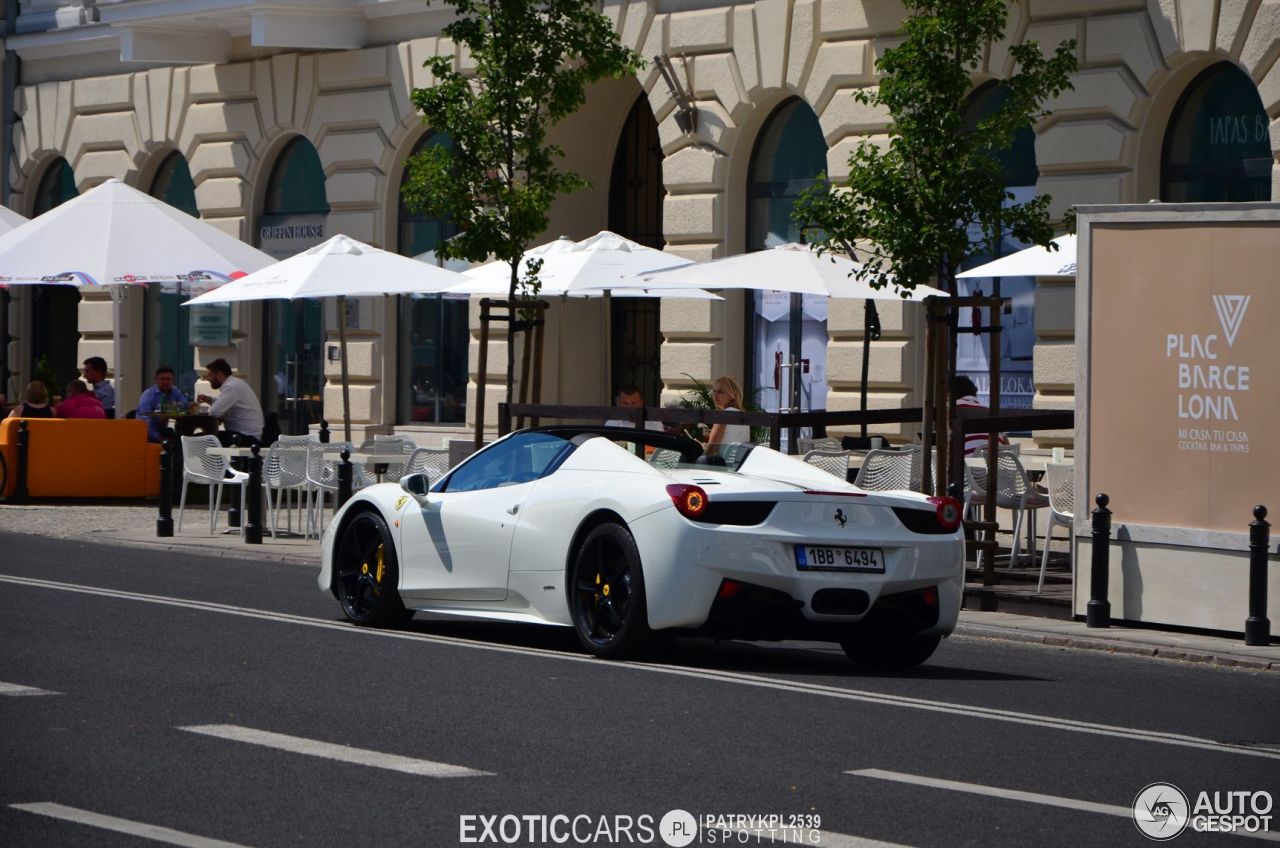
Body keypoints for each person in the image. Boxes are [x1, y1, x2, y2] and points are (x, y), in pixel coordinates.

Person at [196, 358, 264, 446]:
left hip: (245, 438)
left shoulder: (231, 387)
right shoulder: (236, 384)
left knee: (198, 440)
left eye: (210, 375)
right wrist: (209, 399)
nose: (208, 379)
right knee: (206, 438)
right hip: (248, 436)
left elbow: (215, 412)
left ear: (219, 375)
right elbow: (223, 403)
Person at [952, 375, 1009, 455]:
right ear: (974, 393)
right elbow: (1007, 446)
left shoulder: (951, 410)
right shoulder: (991, 413)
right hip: (997, 464)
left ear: (950, 394)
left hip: (965, 464)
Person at [137, 365, 190, 443]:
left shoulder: (174, 391)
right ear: (156, 380)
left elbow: (185, 405)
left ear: (173, 381)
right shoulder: (147, 395)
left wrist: (188, 405)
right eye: (162, 379)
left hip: (165, 429)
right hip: (147, 433)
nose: (165, 382)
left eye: (168, 379)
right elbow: (145, 422)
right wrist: (159, 438)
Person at [704, 376, 750, 456]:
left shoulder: (724, 415)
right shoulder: (743, 416)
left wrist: (703, 448)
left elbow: (711, 449)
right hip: (738, 464)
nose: (715, 395)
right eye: (714, 391)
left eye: (720, 392)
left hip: (721, 465)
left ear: (732, 394)